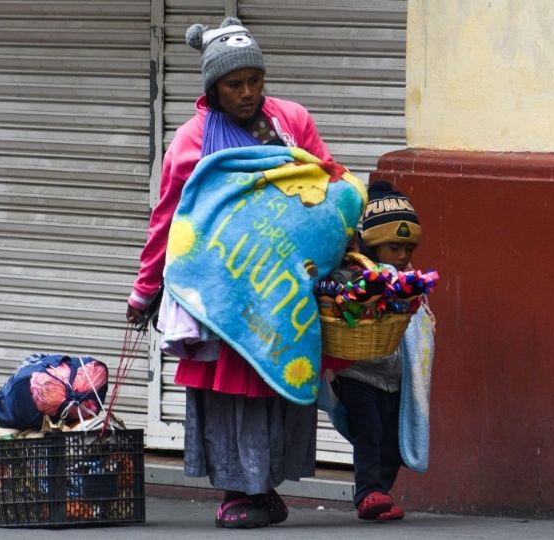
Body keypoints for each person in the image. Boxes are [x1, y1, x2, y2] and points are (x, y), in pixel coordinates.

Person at [125, 16, 333, 529]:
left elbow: (327, 183)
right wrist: (144, 291)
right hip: (223, 292)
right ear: (213, 89)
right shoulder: (191, 141)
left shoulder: (292, 121)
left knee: (275, 383)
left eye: (254, 81)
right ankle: (237, 490)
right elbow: (169, 220)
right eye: (233, 84)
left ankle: (265, 488)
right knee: (230, 392)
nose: (247, 93)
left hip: (280, 284)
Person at [331, 180, 423, 521]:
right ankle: (368, 491)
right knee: (367, 431)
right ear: (371, 242)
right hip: (358, 373)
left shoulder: (409, 278)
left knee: (392, 441)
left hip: (395, 378)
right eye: (393, 248)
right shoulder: (352, 274)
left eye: (408, 248)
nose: (402, 256)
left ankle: (380, 491)